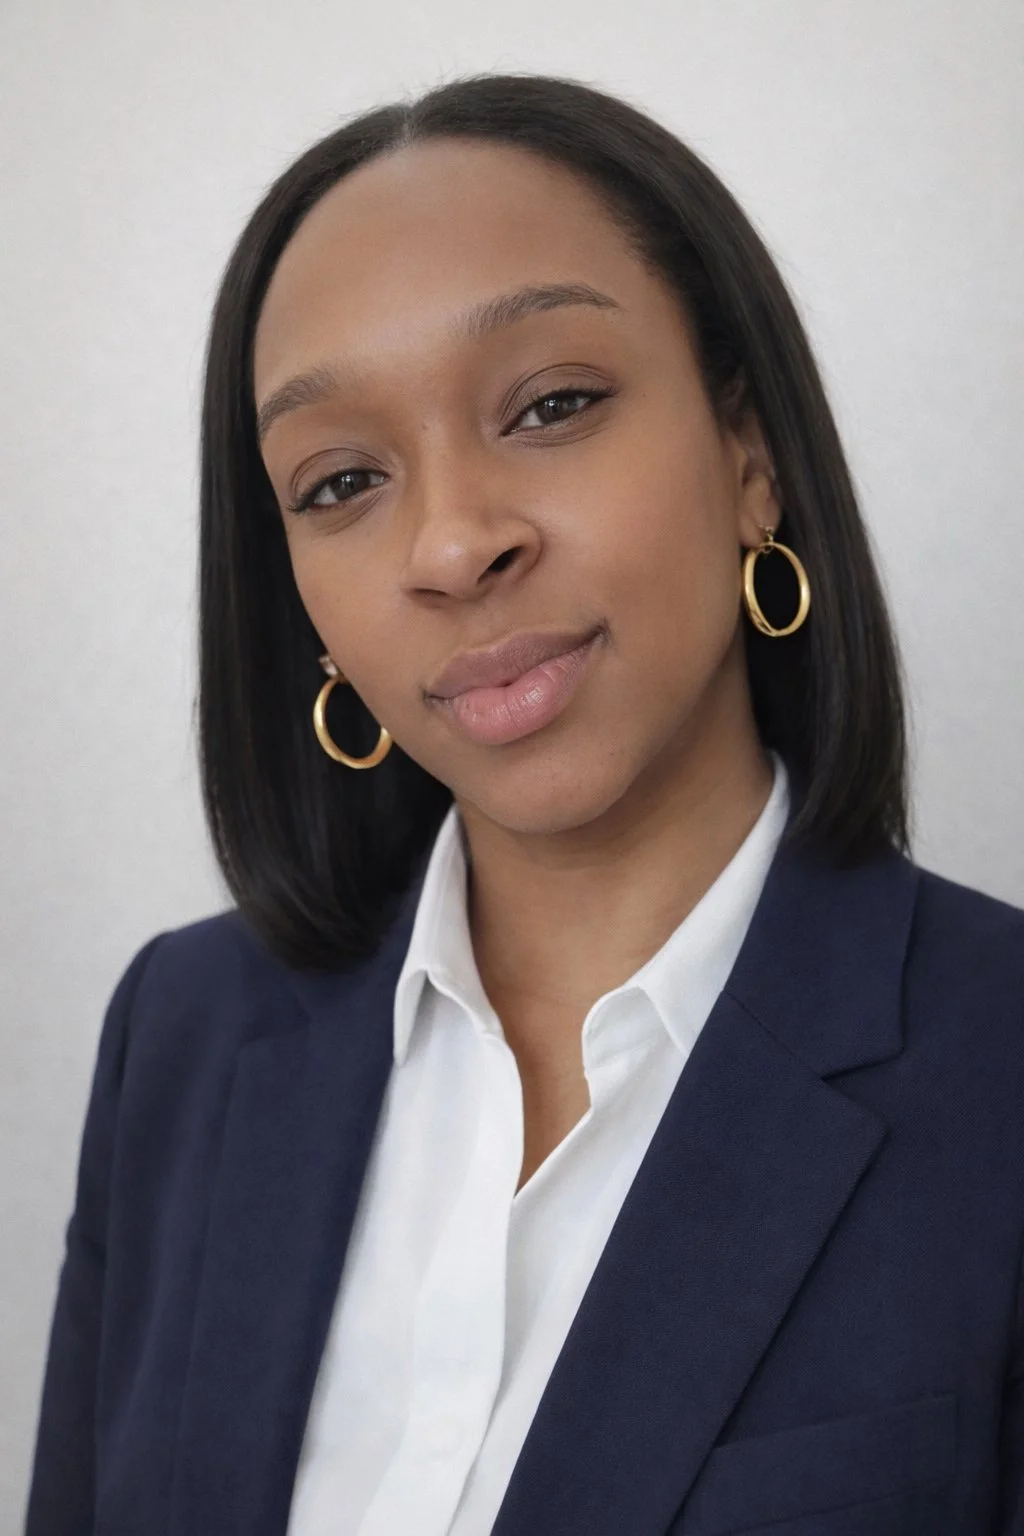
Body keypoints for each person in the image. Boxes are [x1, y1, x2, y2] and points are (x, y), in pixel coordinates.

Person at [24, 72, 1024, 1536]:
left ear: (750, 455)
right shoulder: (181, 1039)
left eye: (553, 405)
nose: (450, 543)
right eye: (341, 480)